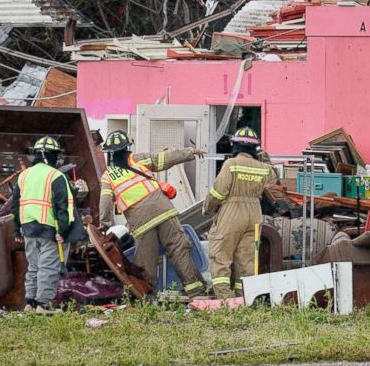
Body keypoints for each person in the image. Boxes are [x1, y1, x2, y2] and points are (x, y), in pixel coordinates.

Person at [98, 131, 206, 297]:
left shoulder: (107, 177)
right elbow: (164, 159)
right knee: (178, 248)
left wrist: (106, 226)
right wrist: (190, 152)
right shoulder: (137, 159)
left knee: (145, 260)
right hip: (163, 211)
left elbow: (105, 203)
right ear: (128, 147)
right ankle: (196, 289)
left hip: (141, 221)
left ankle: (146, 296)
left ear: (109, 154)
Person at [204, 127, 275, 299]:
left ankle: (225, 301)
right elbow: (274, 183)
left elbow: (218, 192)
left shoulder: (231, 165)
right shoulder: (264, 168)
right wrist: (266, 161)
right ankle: (245, 299)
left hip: (232, 212)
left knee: (221, 255)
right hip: (254, 213)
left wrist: (207, 208)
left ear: (234, 145)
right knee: (247, 259)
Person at [10, 136, 76, 312]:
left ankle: (30, 303)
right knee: (48, 266)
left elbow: (14, 205)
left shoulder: (23, 176)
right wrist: (63, 230)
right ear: (51, 156)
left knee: (34, 265)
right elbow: (65, 206)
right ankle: (43, 304)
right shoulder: (56, 176)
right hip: (50, 228)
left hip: (28, 228)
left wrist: (17, 230)